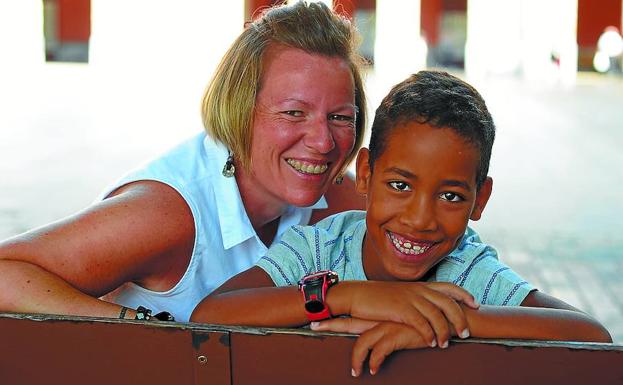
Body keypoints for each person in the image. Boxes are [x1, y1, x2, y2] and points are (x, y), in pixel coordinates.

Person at [190, 71, 612, 376]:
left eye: (450, 196)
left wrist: (440, 321)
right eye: (399, 185)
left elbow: (591, 337)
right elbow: (210, 315)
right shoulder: (320, 249)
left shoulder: (467, 273)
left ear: (479, 199)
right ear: (367, 174)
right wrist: (349, 297)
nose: (419, 219)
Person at [0, 2, 367, 322]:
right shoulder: (168, 214)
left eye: (340, 118)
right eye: (293, 112)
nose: (322, 142)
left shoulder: (342, 201)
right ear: (238, 110)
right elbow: (6, 271)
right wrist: (141, 325)